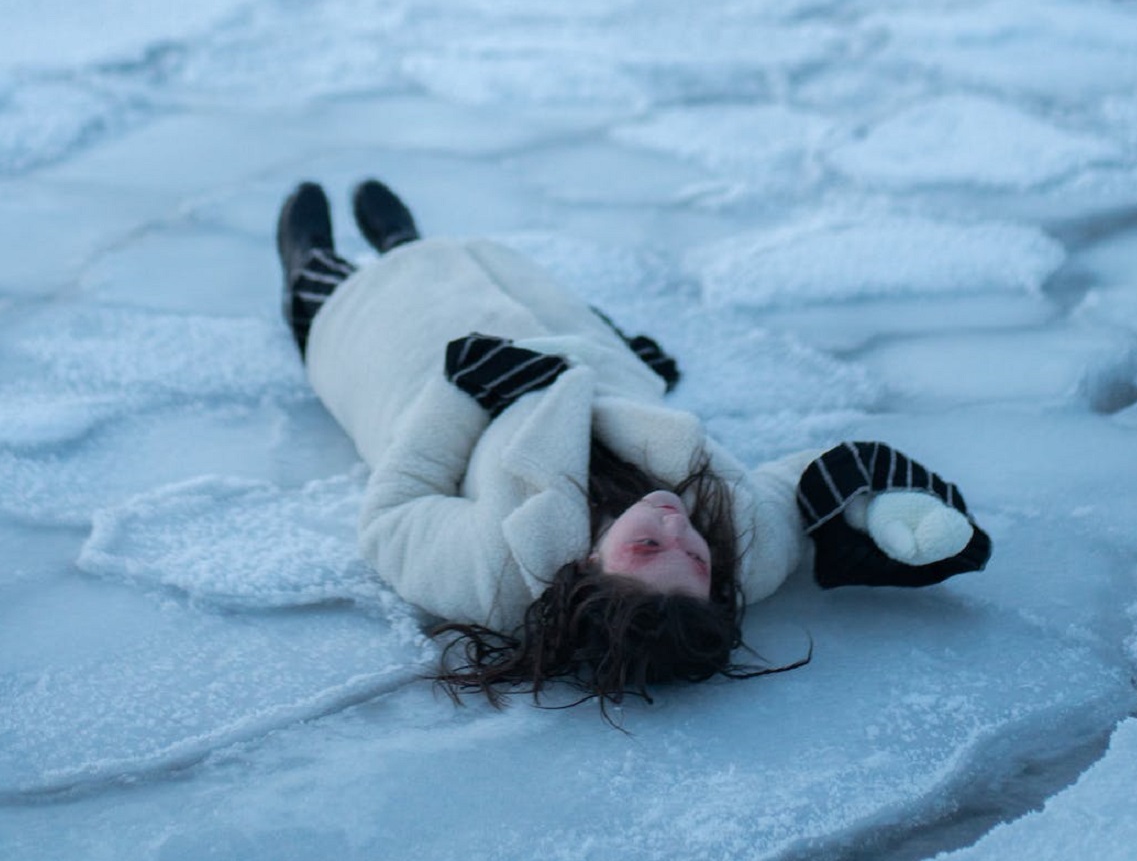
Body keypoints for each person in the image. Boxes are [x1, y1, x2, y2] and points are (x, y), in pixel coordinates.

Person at [275, 179, 992, 714]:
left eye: (649, 548)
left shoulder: (494, 574)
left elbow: (394, 514)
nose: (680, 524)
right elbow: (812, 484)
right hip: (585, 354)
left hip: (428, 366)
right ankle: (406, 240)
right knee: (472, 269)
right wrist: (898, 517)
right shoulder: (742, 548)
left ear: (587, 570)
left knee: (372, 305)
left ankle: (313, 270)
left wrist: (461, 394)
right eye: (696, 556)